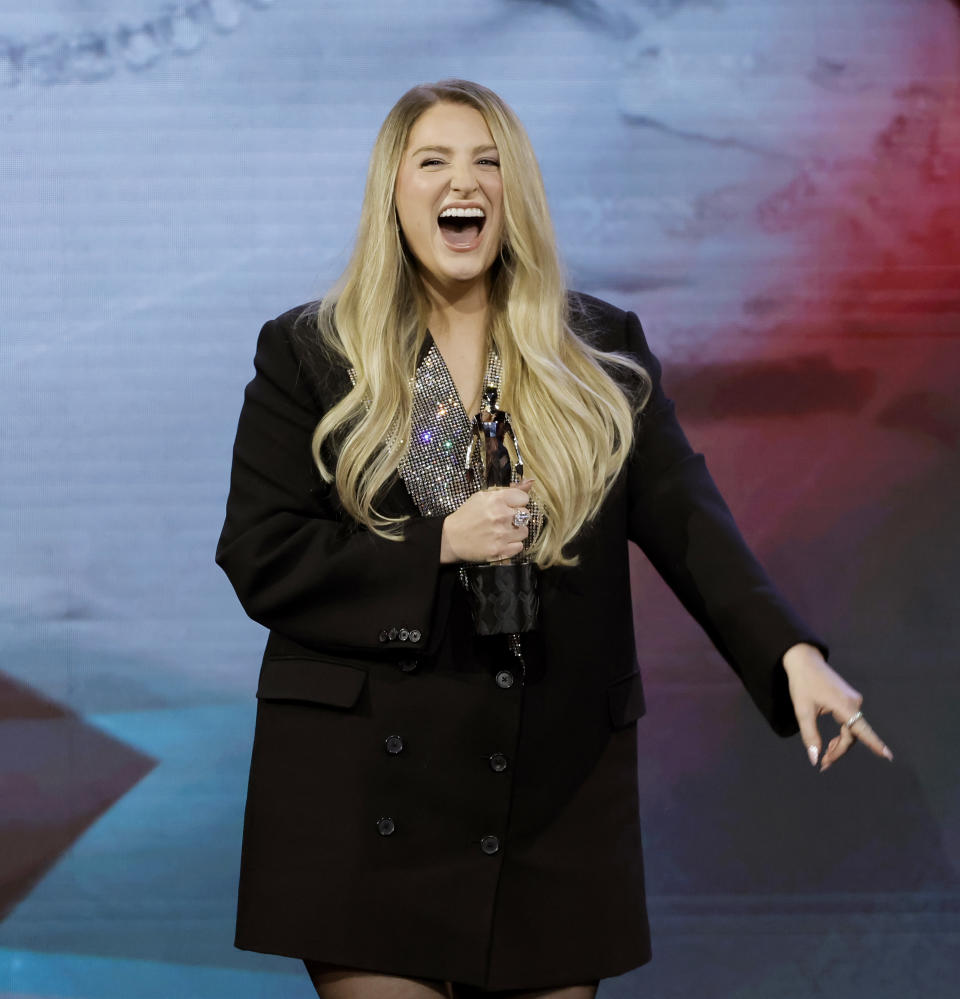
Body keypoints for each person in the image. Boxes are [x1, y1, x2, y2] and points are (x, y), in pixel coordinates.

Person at [215, 79, 893, 999]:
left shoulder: (596, 350)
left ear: (515, 192)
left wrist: (790, 653)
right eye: (437, 161)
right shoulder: (311, 352)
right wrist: (439, 544)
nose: (468, 181)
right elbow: (262, 551)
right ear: (394, 193)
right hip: (368, 797)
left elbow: (687, 516)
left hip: (546, 791)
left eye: (489, 161)